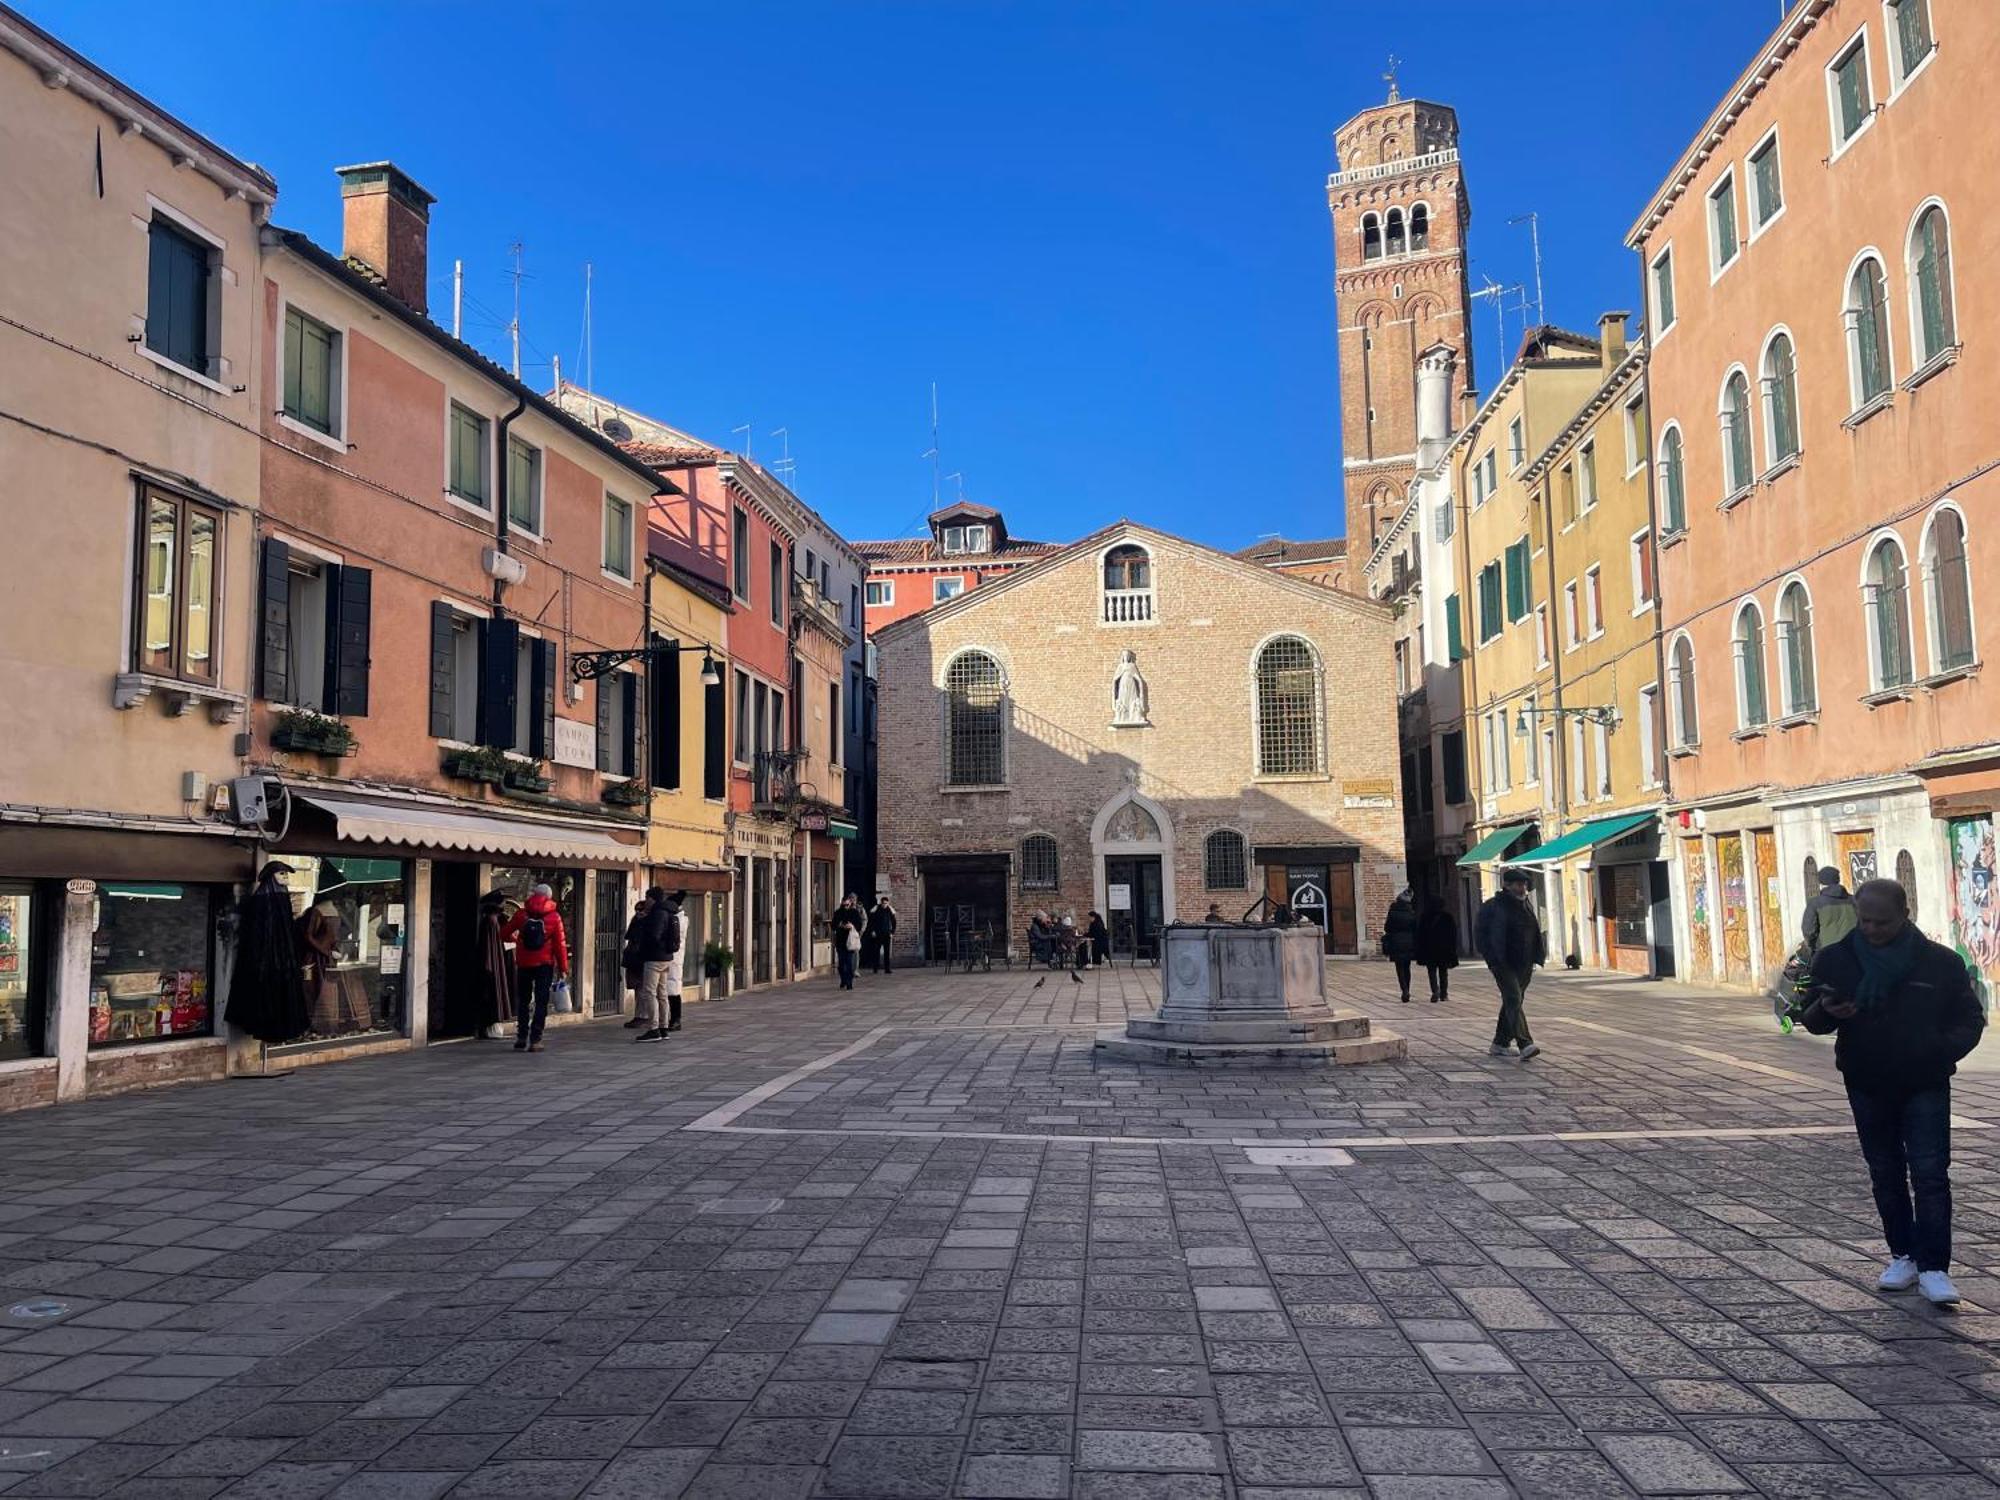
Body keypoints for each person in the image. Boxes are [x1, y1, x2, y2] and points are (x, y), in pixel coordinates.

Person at [1803, 878, 1985, 1305]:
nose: (1871, 929)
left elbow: (1970, 1017)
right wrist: (1827, 1010)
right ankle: (1902, 1254)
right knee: (1885, 1172)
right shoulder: (1837, 959)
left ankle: (1935, 1266)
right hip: (1867, 1079)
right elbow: (1810, 1018)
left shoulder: (1939, 962)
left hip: (1924, 1079)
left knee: (1930, 1174)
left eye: (1881, 922)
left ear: (1905, 915)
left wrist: (1939, 1050)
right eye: (1865, 920)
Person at [1476, 868, 1546, 1060]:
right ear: (1506, 885)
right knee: (1514, 998)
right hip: (1502, 962)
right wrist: (1492, 958)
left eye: (1524, 884)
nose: (1522, 887)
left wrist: (1537, 955)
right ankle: (1525, 1043)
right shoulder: (1493, 906)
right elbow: (1481, 935)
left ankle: (1500, 1043)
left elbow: (1533, 930)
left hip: (1524, 961)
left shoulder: (1526, 905)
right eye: (1517, 884)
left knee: (1513, 1000)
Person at [501, 883, 568, 1052]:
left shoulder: (522, 914)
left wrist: (518, 941)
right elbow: (560, 945)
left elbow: (503, 933)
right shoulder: (554, 917)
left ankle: (521, 1037)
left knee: (523, 1001)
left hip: (524, 963)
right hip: (544, 965)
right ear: (549, 897)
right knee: (541, 1001)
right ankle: (536, 1039)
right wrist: (563, 968)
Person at [633, 886, 683, 1043]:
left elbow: (654, 936)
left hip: (654, 958)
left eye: (647, 898)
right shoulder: (668, 911)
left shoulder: (657, 913)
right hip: (666, 958)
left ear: (652, 899)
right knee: (662, 993)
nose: (645, 901)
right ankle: (663, 1028)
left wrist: (644, 925)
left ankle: (653, 1028)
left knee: (649, 992)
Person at [476, 890, 517, 1039]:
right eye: (502, 901)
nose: (505, 904)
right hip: (494, 965)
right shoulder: (492, 921)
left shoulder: (495, 920)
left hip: (498, 963)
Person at [1804, 866, 1859, 954]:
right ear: (1838, 880)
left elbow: (1808, 930)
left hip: (1828, 952)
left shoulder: (1815, 903)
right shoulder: (1854, 900)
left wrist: (1812, 947)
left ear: (1821, 883)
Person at [1415, 893, 1459, 1003]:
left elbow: (1420, 934)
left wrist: (1420, 949)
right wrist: (1453, 949)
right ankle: (1444, 994)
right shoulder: (1447, 917)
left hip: (1430, 949)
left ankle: (1435, 990)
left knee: (1432, 971)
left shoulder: (1425, 917)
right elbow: (1453, 934)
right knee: (1443, 972)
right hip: (1444, 949)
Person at [621, 892, 653, 1029]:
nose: (639, 912)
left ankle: (643, 1016)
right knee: (637, 988)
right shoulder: (636, 920)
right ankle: (640, 1015)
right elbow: (629, 936)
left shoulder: (649, 922)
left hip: (643, 959)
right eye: (637, 910)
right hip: (633, 959)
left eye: (641, 910)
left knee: (643, 989)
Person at [1382, 888, 1420, 1004]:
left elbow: (1387, 927)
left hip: (1395, 942)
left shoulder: (1393, 911)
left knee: (1399, 967)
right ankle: (1407, 989)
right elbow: (1415, 928)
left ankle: (1404, 990)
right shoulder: (1411, 912)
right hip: (1408, 942)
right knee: (1407, 967)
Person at [831, 894, 865, 990]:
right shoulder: (837, 913)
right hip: (840, 941)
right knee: (841, 963)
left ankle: (849, 983)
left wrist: (852, 926)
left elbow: (859, 924)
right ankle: (843, 979)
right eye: (844, 905)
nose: (845, 907)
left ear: (850, 904)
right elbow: (833, 925)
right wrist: (840, 925)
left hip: (850, 941)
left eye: (847, 905)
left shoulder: (854, 912)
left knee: (849, 962)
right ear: (842, 903)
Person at [867, 895, 899, 973]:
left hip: (887, 934)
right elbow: (871, 921)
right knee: (876, 951)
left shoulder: (890, 910)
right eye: (883, 903)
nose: (884, 904)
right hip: (877, 933)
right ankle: (875, 968)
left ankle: (887, 969)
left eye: (886, 903)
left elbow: (894, 922)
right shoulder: (876, 909)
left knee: (887, 952)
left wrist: (892, 932)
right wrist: (872, 931)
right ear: (881, 903)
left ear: (888, 903)